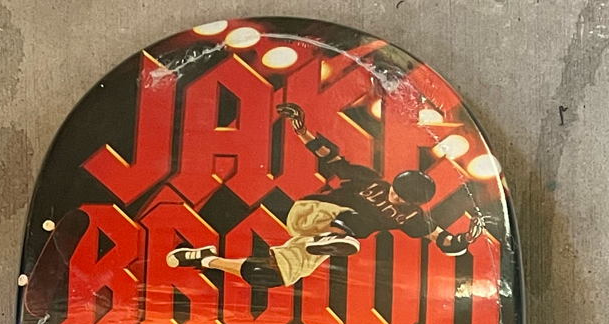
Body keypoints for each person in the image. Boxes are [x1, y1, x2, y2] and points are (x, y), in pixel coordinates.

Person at [167, 100, 481, 294]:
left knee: (272, 274)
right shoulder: (369, 179)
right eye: (394, 193)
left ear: (414, 204)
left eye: (401, 201)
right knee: (358, 222)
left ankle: (204, 258)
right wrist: (302, 129)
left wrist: (466, 239)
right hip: (313, 212)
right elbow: (331, 158)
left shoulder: (413, 217)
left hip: (330, 238)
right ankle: (332, 237)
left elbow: (441, 239)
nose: (393, 200)